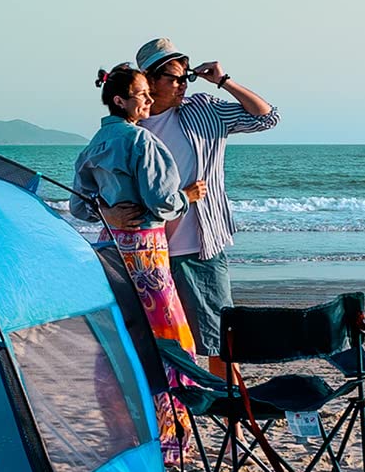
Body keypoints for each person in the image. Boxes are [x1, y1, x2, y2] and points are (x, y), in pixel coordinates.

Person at [102, 39, 281, 379]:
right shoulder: (126, 128)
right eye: (175, 78)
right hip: (143, 254)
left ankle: (232, 424)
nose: (184, 84)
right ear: (149, 80)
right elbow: (97, 190)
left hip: (198, 248)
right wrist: (109, 214)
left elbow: (267, 118)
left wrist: (224, 81)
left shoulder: (204, 109)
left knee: (220, 343)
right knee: (154, 347)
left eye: (187, 77)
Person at [70, 64, 205, 462]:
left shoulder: (94, 144)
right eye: (142, 94)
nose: (149, 100)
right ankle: (169, 440)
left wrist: (107, 214)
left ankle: (123, 435)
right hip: (146, 253)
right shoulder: (141, 142)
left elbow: (80, 206)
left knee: (117, 343)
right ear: (119, 100)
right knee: (171, 343)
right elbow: (162, 201)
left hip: (109, 250)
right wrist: (186, 197)